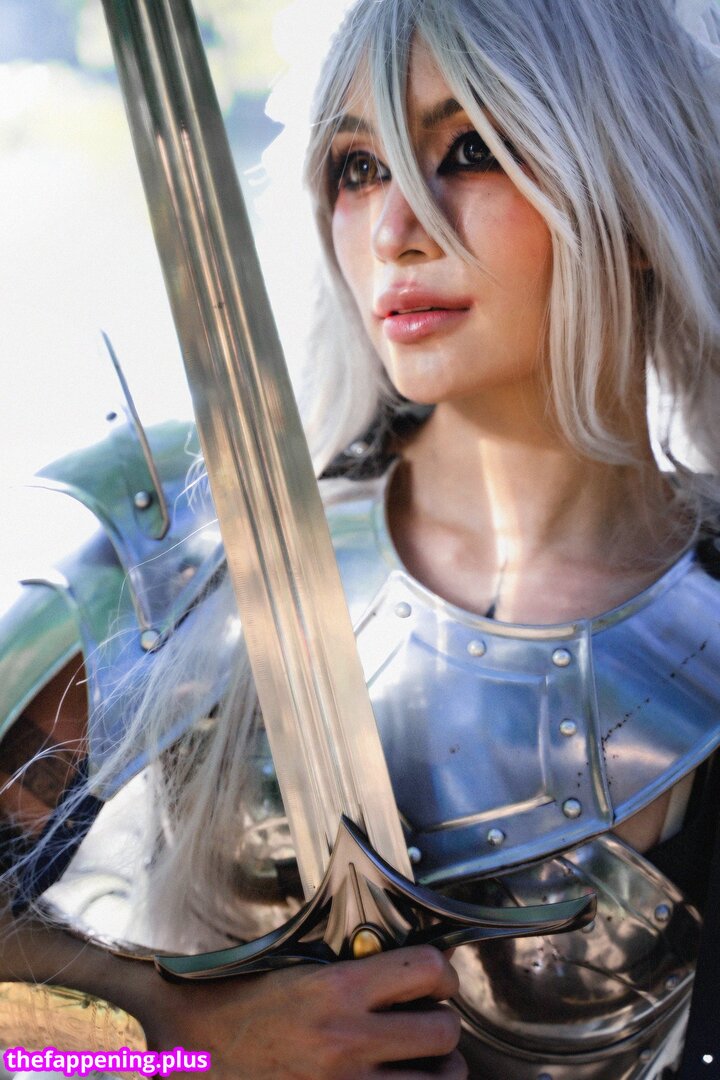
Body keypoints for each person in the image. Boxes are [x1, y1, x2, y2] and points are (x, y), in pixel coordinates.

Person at [1, 0, 720, 1077]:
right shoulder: (188, 554)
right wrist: (179, 1044)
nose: (393, 231)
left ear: (633, 184)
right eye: (357, 168)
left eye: (470, 150)